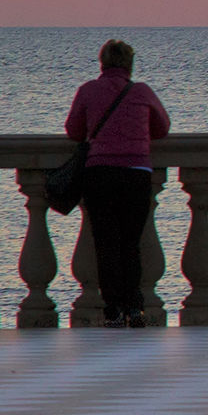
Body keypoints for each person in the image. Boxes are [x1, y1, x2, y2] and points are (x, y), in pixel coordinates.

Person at [64, 39, 172, 328]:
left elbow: (73, 130)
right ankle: (134, 309)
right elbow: (162, 128)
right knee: (130, 243)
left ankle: (112, 309)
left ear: (102, 63)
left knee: (106, 243)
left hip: (99, 173)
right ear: (129, 64)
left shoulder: (87, 90)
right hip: (136, 173)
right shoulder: (141, 91)